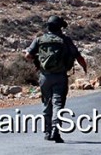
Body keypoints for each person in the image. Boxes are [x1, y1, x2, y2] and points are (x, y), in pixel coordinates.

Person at [24, 15, 88, 143]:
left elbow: (28, 55)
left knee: (47, 103)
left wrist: (39, 60)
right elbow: (78, 56)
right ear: (60, 27)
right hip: (60, 76)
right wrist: (85, 68)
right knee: (58, 104)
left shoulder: (39, 40)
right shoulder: (65, 40)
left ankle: (47, 132)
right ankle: (55, 130)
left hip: (45, 77)